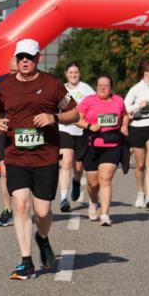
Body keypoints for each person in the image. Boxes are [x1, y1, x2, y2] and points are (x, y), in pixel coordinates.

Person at [0, 39, 78, 280]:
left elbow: (75, 112)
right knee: (20, 204)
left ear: (38, 58)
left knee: (42, 211)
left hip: (45, 154)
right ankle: (26, 261)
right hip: (15, 154)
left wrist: (54, 118)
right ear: (16, 60)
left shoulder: (51, 83)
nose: (24, 61)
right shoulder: (4, 85)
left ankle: (43, 238)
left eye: (29, 57)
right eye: (21, 57)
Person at [77, 75, 129, 226]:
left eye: (106, 85)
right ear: (96, 86)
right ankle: (93, 202)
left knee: (105, 179)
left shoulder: (118, 100)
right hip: (91, 144)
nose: (103, 87)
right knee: (93, 184)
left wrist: (124, 125)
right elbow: (77, 118)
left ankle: (105, 214)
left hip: (112, 145)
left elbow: (124, 115)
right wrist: (89, 126)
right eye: (100, 85)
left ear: (111, 87)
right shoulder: (88, 101)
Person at [124, 60, 149, 210]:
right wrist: (138, 106)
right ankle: (140, 193)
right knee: (140, 165)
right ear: (146, 72)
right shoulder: (135, 89)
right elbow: (125, 108)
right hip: (137, 127)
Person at [57, 62, 95, 212]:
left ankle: (76, 181)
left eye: (76, 73)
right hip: (64, 129)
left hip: (81, 131)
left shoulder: (86, 89)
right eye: (71, 72)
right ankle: (63, 198)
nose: (73, 75)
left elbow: (95, 105)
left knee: (78, 167)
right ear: (66, 74)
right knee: (66, 162)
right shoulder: (61, 89)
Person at [0, 56, 19, 226]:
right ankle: (8, 210)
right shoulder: (1, 81)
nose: (14, 74)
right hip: (5, 132)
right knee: (5, 172)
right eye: (12, 71)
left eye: (17, 71)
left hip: (25, 132)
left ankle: (28, 206)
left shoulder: (33, 82)